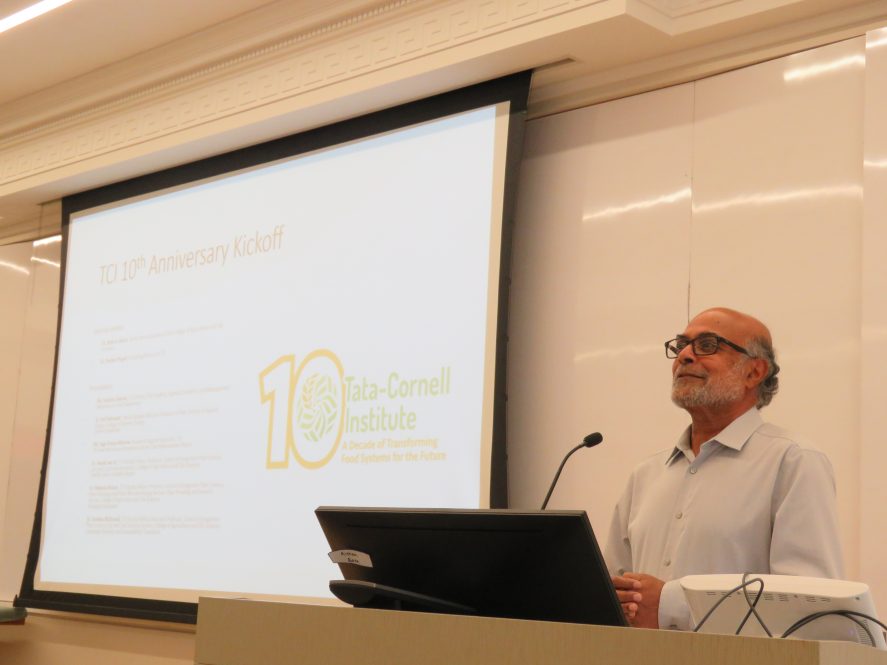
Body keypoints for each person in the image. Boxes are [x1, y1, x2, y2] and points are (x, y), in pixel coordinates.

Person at [604, 307, 844, 630]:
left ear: (754, 372)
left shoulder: (793, 462)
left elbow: (809, 606)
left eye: (707, 345)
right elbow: (612, 599)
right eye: (680, 345)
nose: (685, 356)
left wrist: (671, 605)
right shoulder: (645, 475)